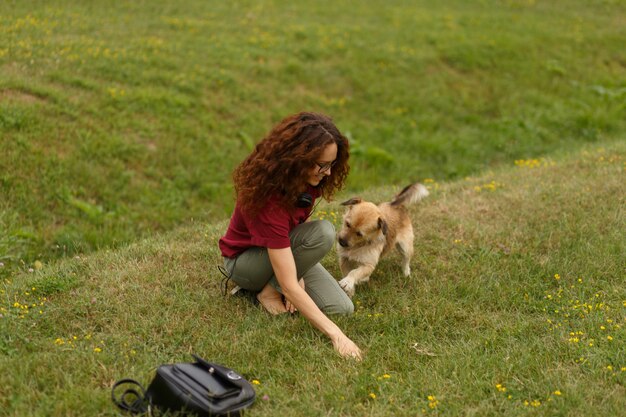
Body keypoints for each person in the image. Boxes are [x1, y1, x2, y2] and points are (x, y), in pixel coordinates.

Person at [218, 112, 362, 360]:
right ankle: (265, 292)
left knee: (342, 308)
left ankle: (273, 283)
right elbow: (290, 280)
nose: (328, 173)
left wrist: (298, 272)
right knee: (323, 233)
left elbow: (292, 231)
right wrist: (337, 336)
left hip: (279, 250)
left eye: (332, 165)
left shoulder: (307, 181)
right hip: (245, 263)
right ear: (299, 159)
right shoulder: (269, 199)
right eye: (323, 165)